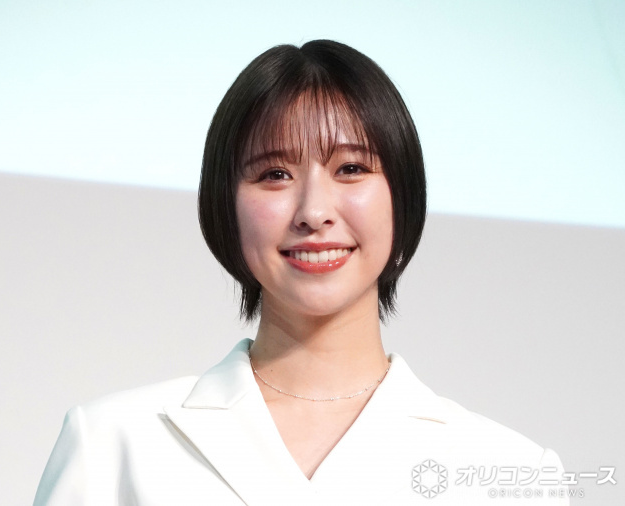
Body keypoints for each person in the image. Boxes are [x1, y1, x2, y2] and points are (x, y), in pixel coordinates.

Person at [34, 40, 569, 505]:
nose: (314, 211)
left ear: (402, 197)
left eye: (351, 169)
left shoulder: (511, 472)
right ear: (225, 205)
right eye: (274, 174)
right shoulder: (111, 444)